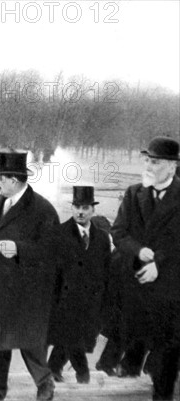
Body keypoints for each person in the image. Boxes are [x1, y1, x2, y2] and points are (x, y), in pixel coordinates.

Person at [0, 149, 59, 401]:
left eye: (0, 177)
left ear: (14, 180)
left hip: (26, 291)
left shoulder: (42, 210)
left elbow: (52, 252)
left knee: (29, 342)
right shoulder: (0, 204)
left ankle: (45, 383)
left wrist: (19, 250)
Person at [111, 136, 180, 400]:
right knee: (140, 342)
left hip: (171, 290)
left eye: (155, 162)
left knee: (166, 355)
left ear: (172, 167)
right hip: (138, 288)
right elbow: (119, 232)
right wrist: (138, 250)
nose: (149, 166)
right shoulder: (133, 193)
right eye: (147, 161)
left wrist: (158, 263)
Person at [47, 186, 111, 384]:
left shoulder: (101, 238)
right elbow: (52, 270)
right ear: (72, 208)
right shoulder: (59, 233)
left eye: (85, 207)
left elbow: (106, 270)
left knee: (75, 337)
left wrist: (105, 299)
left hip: (91, 300)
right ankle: (82, 373)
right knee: (72, 334)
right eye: (76, 207)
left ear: (93, 210)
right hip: (65, 299)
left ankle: (53, 368)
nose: (80, 212)